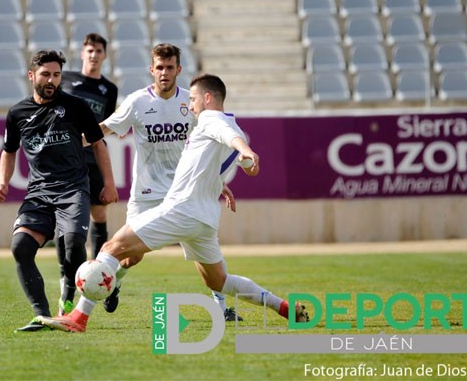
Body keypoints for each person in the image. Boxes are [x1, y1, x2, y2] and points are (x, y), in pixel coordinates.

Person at [37, 74, 309, 333]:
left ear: (208, 98)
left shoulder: (212, 118)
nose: (189, 105)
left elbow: (228, 136)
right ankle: (282, 306)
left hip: (181, 209)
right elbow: (212, 157)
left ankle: (78, 317)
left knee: (111, 248)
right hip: (204, 219)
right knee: (219, 281)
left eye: (193, 99)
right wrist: (223, 179)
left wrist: (245, 150)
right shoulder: (229, 121)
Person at [96, 44, 242, 322]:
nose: (164, 73)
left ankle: (222, 309)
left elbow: (209, 144)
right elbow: (103, 128)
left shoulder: (192, 103)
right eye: (159, 68)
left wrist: (216, 181)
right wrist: (73, 140)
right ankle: (114, 283)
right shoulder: (137, 102)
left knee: (203, 252)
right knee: (130, 257)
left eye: (170, 67)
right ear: (152, 70)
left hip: (184, 193)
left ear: (179, 70)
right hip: (146, 193)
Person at [0, 50, 118, 333]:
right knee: (21, 248)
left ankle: (68, 297)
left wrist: (109, 183)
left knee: (73, 243)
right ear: (31, 75)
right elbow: (9, 151)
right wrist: (3, 182)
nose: (52, 80)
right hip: (38, 193)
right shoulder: (17, 113)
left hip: (73, 189)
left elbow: (99, 145)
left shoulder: (75, 107)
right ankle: (41, 314)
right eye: (46, 74)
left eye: (57, 75)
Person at [57, 34, 118, 315]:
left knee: (100, 216)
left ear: (105, 55)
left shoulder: (109, 90)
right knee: (66, 220)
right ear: (82, 54)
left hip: (93, 158)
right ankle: (67, 286)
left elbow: (105, 127)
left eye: (99, 51)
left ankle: (98, 275)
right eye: (90, 50)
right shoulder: (66, 80)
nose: (94, 55)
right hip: (67, 159)